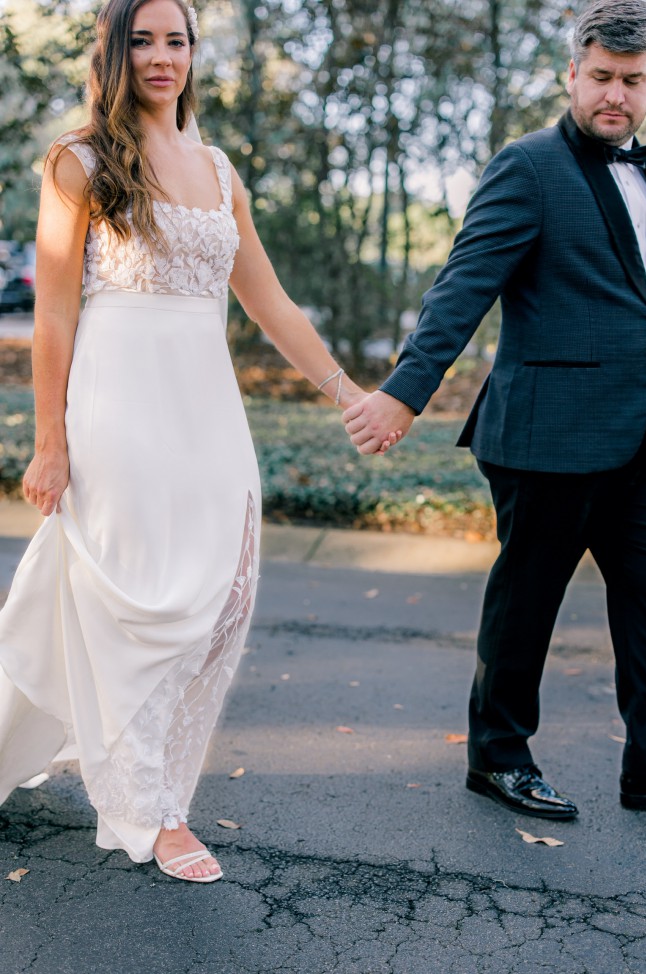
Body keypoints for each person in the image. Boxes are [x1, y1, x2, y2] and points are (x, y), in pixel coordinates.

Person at [0, 0, 400, 883]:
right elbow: (55, 312)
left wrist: (347, 390)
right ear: (115, 50)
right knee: (135, 603)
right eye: (141, 39)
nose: (160, 55)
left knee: (220, 602)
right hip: (118, 405)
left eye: (175, 39)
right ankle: (151, 810)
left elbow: (269, 299)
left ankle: (149, 773)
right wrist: (49, 442)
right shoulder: (79, 162)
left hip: (206, 409)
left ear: (192, 53)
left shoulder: (218, 170)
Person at [343, 0, 646, 820]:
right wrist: (405, 393)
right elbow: (462, 289)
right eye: (601, 78)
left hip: (644, 435)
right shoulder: (528, 166)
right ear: (571, 75)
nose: (614, 95)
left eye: (632, 80)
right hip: (547, 433)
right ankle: (498, 757)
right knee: (526, 610)